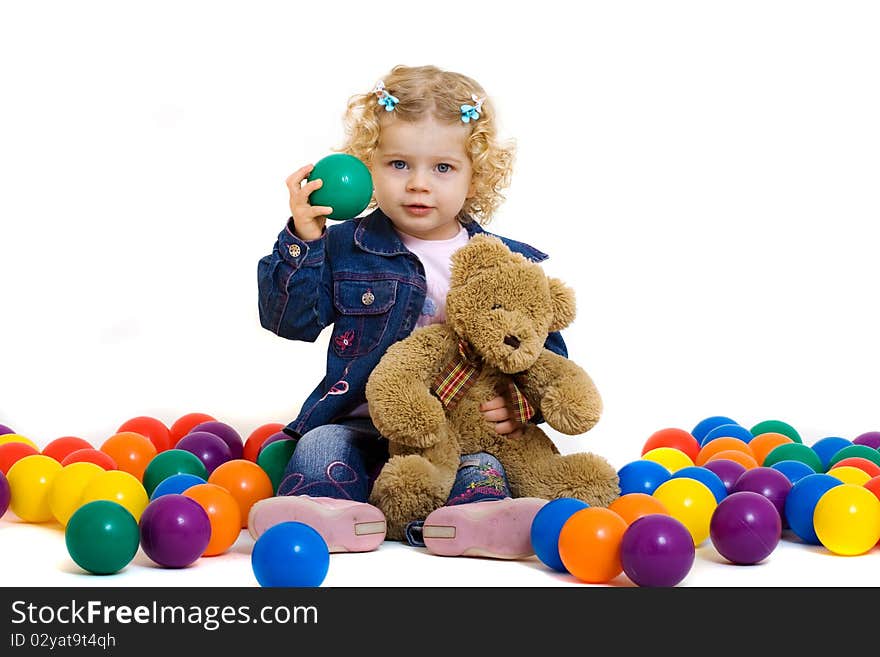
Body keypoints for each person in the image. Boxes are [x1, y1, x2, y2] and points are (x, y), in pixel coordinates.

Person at [249, 64, 569, 558]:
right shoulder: (344, 246)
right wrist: (303, 240)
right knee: (320, 448)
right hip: (362, 422)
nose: (419, 185)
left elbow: (543, 358)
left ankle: (472, 518)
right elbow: (291, 322)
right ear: (367, 167)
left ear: (475, 175)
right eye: (399, 164)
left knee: (483, 463)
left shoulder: (507, 264)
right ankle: (323, 512)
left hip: (458, 432)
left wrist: (519, 407)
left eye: (442, 168)